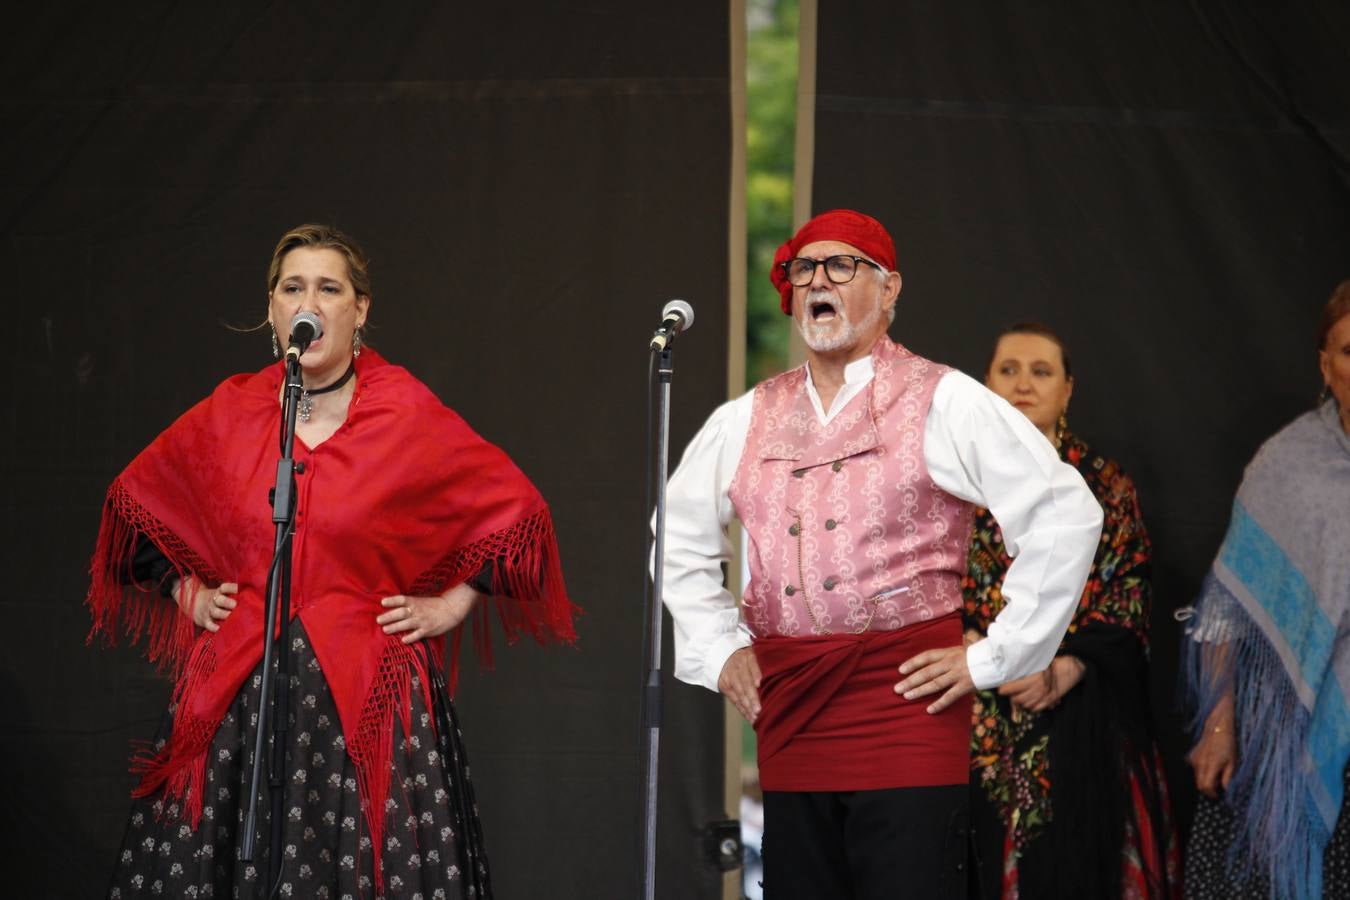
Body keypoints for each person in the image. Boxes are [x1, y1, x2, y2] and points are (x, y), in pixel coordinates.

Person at [86, 224, 578, 899]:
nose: (307, 301)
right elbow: (137, 505)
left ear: (360, 308)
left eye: (328, 287)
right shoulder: (233, 413)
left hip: (366, 695)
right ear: (273, 308)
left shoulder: (405, 415)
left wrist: (453, 602)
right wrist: (184, 592)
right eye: (293, 287)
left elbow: (514, 513)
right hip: (242, 701)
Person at [659, 209, 1103, 898]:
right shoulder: (749, 415)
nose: (818, 281)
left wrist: (995, 655)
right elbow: (676, 538)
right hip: (793, 703)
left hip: (904, 702)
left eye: (841, 265)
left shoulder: (943, 398)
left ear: (889, 289)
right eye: (805, 268)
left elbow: (1063, 512)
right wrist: (720, 649)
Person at [962, 323, 1180, 899]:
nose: (1023, 384)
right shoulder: (952, 483)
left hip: (1080, 714)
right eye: (1008, 370)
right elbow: (921, 587)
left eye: (1041, 371)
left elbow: (1129, 592)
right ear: (986, 383)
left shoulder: (1105, 485)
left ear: (1068, 389)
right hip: (972, 715)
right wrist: (980, 652)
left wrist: (1066, 667)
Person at [1181, 281, 1350, 900]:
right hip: (1279, 731)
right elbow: (1227, 608)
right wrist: (1219, 725)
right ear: (1326, 366)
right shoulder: (1285, 464)